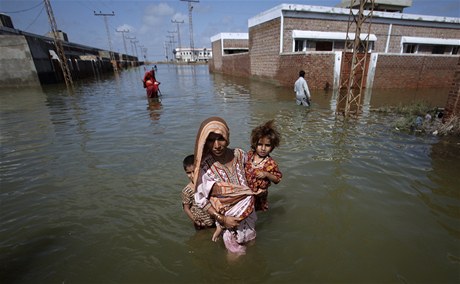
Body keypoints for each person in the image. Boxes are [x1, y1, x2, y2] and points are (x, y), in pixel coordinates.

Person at [193, 117, 261, 255]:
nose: (216, 145)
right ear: (204, 142)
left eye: (220, 139)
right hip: (227, 221)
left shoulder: (240, 154)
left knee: (252, 243)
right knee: (235, 255)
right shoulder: (204, 167)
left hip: (248, 214)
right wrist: (222, 219)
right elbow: (200, 199)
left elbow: (251, 178)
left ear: (227, 138)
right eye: (210, 140)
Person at [244, 120, 282, 211]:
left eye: (267, 145)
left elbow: (277, 179)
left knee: (255, 213)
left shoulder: (271, 163)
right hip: (246, 193)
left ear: (272, 147)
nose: (263, 148)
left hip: (259, 196)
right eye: (260, 144)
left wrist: (267, 174)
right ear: (254, 144)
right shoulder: (249, 155)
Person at [181, 154, 215, 230]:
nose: (192, 175)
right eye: (188, 173)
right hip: (201, 222)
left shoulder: (208, 185)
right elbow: (186, 208)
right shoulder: (187, 191)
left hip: (213, 220)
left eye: (194, 171)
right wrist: (195, 220)